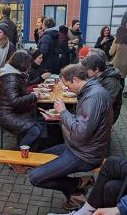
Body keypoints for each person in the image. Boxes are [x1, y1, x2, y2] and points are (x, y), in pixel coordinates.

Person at [29, 64, 113, 210]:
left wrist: (63, 112)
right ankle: (75, 192)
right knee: (39, 158)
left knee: (35, 177)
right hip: (77, 147)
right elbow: (84, 122)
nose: (67, 89)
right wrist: (61, 116)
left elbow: (82, 132)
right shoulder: (91, 91)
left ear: (75, 79)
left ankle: (78, 184)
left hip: (85, 154)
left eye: (67, 86)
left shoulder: (93, 96)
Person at [0, 51, 42, 174]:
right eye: (28, 64)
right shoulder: (11, 78)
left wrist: (32, 95)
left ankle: (28, 158)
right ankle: (15, 158)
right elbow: (15, 101)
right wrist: (33, 96)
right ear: (22, 64)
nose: (29, 67)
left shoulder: (15, 75)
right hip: (7, 116)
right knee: (35, 130)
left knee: (39, 126)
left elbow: (18, 96)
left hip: (13, 113)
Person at [47, 156, 127, 215]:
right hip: (74, 149)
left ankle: (85, 211)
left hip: (86, 153)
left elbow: (82, 135)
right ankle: (86, 209)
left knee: (36, 177)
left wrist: (121, 208)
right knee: (111, 187)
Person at [82, 54, 122, 123]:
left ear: (96, 69)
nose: (85, 71)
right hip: (99, 111)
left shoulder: (111, 82)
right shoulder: (97, 76)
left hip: (106, 116)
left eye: (87, 69)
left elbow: (106, 105)